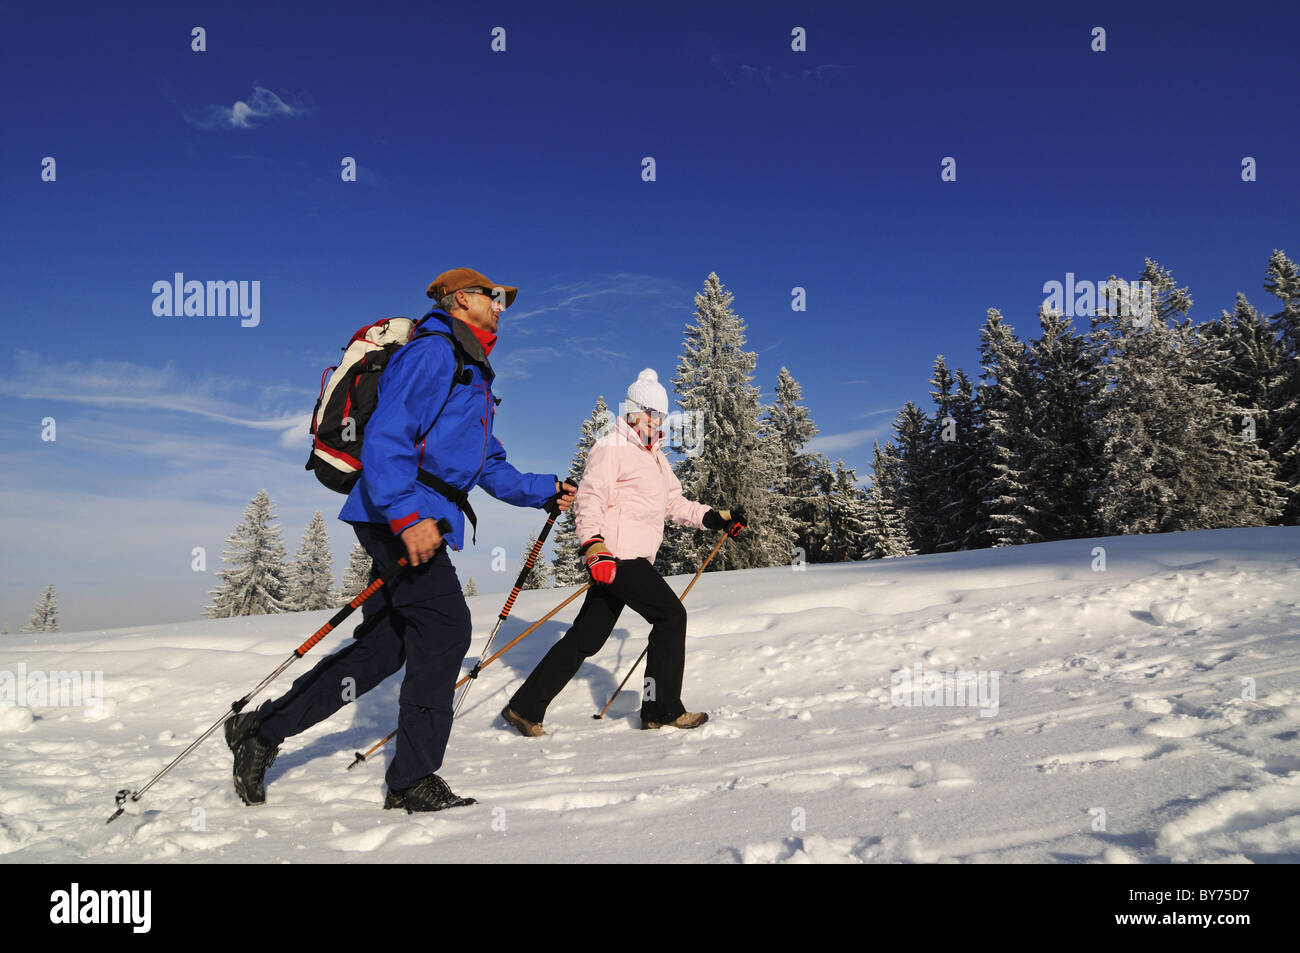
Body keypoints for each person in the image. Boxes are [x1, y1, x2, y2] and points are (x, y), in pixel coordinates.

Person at [226, 267, 577, 812]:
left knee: (383, 649)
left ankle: (260, 730)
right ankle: (412, 779)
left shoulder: (471, 369)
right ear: (463, 299)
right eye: (495, 297)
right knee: (445, 628)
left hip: (413, 512)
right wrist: (406, 515)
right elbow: (389, 434)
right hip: (401, 513)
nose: (503, 306)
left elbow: (488, 464)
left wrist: (546, 491)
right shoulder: (435, 352)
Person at [502, 368, 746, 736]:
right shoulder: (611, 448)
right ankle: (661, 710)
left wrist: (714, 517)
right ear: (632, 411)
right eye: (651, 414)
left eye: (662, 415)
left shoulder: (656, 459)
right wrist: (594, 546)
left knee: (587, 637)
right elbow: (590, 499)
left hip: (629, 559)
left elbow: (674, 504)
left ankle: (524, 708)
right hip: (616, 557)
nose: (657, 421)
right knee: (670, 616)